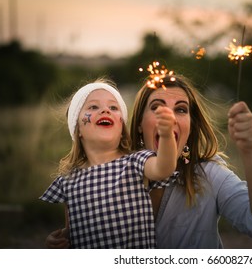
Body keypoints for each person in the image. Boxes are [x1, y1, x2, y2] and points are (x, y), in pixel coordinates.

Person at [45, 74, 252, 249]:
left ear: (190, 126)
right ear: (139, 124)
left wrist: (249, 151)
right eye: (157, 107)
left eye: (181, 110)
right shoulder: (111, 173)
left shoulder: (209, 174)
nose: (169, 117)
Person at [40, 78, 178, 248]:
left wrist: (166, 135)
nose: (105, 110)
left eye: (113, 107)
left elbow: (164, 168)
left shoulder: (135, 163)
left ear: (121, 129)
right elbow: (75, 230)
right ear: (77, 129)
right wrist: (55, 242)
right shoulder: (69, 181)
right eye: (93, 107)